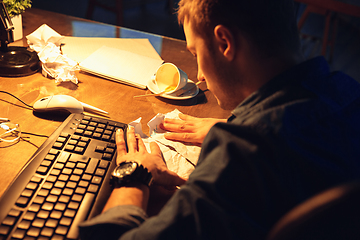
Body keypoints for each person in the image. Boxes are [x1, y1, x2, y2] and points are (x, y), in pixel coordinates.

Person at [79, 0, 360, 239]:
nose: (200, 75)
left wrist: (134, 174)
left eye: (196, 54)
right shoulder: (349, 92)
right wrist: (239, 126)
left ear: (225, 42)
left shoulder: (243, 152)